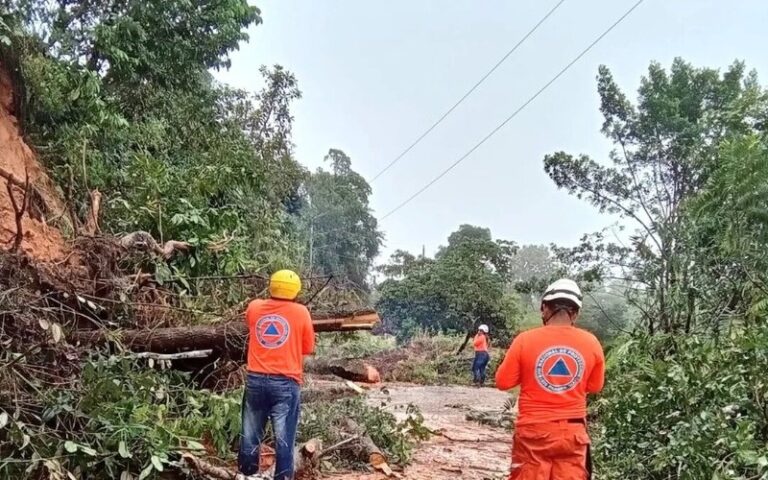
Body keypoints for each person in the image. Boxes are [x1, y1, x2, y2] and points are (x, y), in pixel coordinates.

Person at [495, 279, 605, 480]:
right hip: (573, 434)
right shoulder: (591, 342)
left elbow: (503, 382)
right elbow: (595, 386)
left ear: (544, 307)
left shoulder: (525, 340)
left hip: (533, 433)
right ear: (576, 312)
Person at [238, 269, 315, 480]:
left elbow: (251, 323)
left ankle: (246, 475)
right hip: (286, 383)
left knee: (250, 433)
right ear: (295, 290)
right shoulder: (301, 312)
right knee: (284, 439)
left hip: (255, 379)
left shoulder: (254, 307)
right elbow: (307, 347)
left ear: (271, 286)